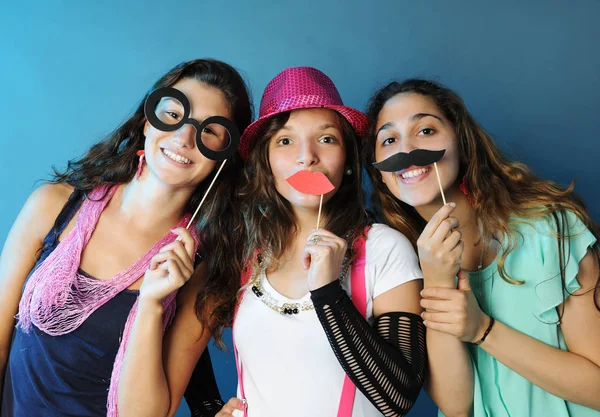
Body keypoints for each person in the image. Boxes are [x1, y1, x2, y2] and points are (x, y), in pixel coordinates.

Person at [0, 58, 253, 417]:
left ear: (223, 158)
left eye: (209, 131)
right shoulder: (53, 205)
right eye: (173, 114)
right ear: (147, 121)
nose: (184, 137)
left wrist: (151, 305)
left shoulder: (203, 272)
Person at [364, 78, 600, 416]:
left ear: (461, 142)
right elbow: (458, 407)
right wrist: (437, 281)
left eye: (426, 130)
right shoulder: (400, 267)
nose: (406, 149)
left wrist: (482, 330)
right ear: (381, 173)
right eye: (389, 139)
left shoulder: (551, 230)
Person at [217, 67, 426, 417]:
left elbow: (398, 397)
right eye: (285, 141)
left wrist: (329, 293)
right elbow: (175, 333)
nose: (306, 157)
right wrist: (208, 407)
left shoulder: (383, 248)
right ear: (266, 163)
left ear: (346, 161)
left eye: (326, 139)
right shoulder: (247, 255)